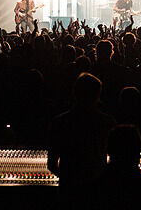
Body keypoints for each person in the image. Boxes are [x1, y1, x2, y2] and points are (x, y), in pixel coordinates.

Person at [47, 73, 116, 207]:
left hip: (68, 190)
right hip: (97, 190)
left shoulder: (59, 123)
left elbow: (51, 164)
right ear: (97, 96)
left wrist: (69, 179)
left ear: (75, 93)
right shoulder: (107, 123)